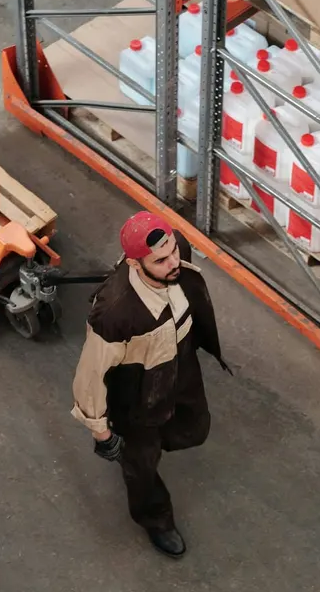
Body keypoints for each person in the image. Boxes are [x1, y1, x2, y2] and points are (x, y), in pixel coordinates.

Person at [71, 211, 228, 558]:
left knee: (195, 429)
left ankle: (147, 450)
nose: (174, 262)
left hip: (181, 368)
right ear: (134, 262)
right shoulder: (115, 313)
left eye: (174, 250)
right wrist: (101, 432)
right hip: (137, 396)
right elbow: (91, 374)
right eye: (161, 260)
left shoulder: (176, 255)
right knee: (142, 465)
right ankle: (155, 518)